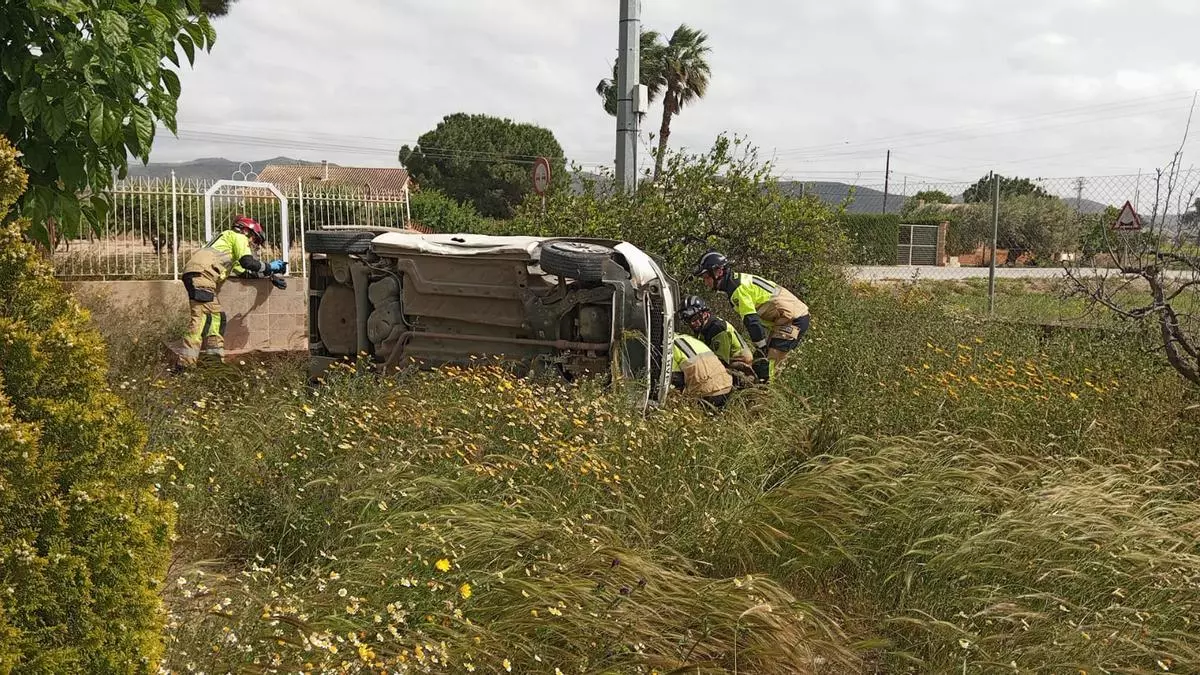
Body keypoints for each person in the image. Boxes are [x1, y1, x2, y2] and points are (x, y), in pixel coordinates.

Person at [178, 215, 285, 367]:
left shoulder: (227, 242)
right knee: (200, 320)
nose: (254, 244)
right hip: (203, 275)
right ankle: (185, 365)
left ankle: (214, 362)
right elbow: (248, 263)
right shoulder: (239, 237)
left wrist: (270, 275)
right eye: (255, 240)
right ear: (247, 231)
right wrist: (270, 266)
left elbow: (245, 272)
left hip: (200, 275)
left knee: (216, 318)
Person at [693, 250, 810, 383]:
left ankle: (768, 393)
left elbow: (752, 321)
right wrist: (761, 347)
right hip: (785, 318)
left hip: (793, 319)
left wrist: (761, 347)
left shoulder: (737, 289)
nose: (705, 282)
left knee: (767, 369)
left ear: (718, 271)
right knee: (760, 363)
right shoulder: (735, 281)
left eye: (706, 277)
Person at [677, 295, 757, 385]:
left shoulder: (717, 329)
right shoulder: (703, 328)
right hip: (728, 363)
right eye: (688, 321)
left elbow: (719, 363)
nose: (692, 323)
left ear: (705, 313)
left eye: (695, 318)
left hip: (740, 367)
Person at [670, 333, 735, 410]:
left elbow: (675, 379)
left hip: (706, 395)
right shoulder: (691, 339)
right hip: (727, 388)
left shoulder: (669, 347)